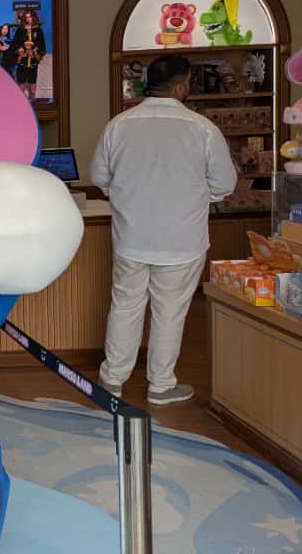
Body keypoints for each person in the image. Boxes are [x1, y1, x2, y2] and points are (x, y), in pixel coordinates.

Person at [90, 55, 237, 405]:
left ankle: (112, 380)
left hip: (131, 238)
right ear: (182, 85)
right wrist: (197, 196)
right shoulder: (202, 129)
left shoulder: (119, 125)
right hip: (182, 240)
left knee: (125, 306)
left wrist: (127, 195)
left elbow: (99, 178)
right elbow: (225, 184)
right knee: (170, 312)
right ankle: (160, 385)